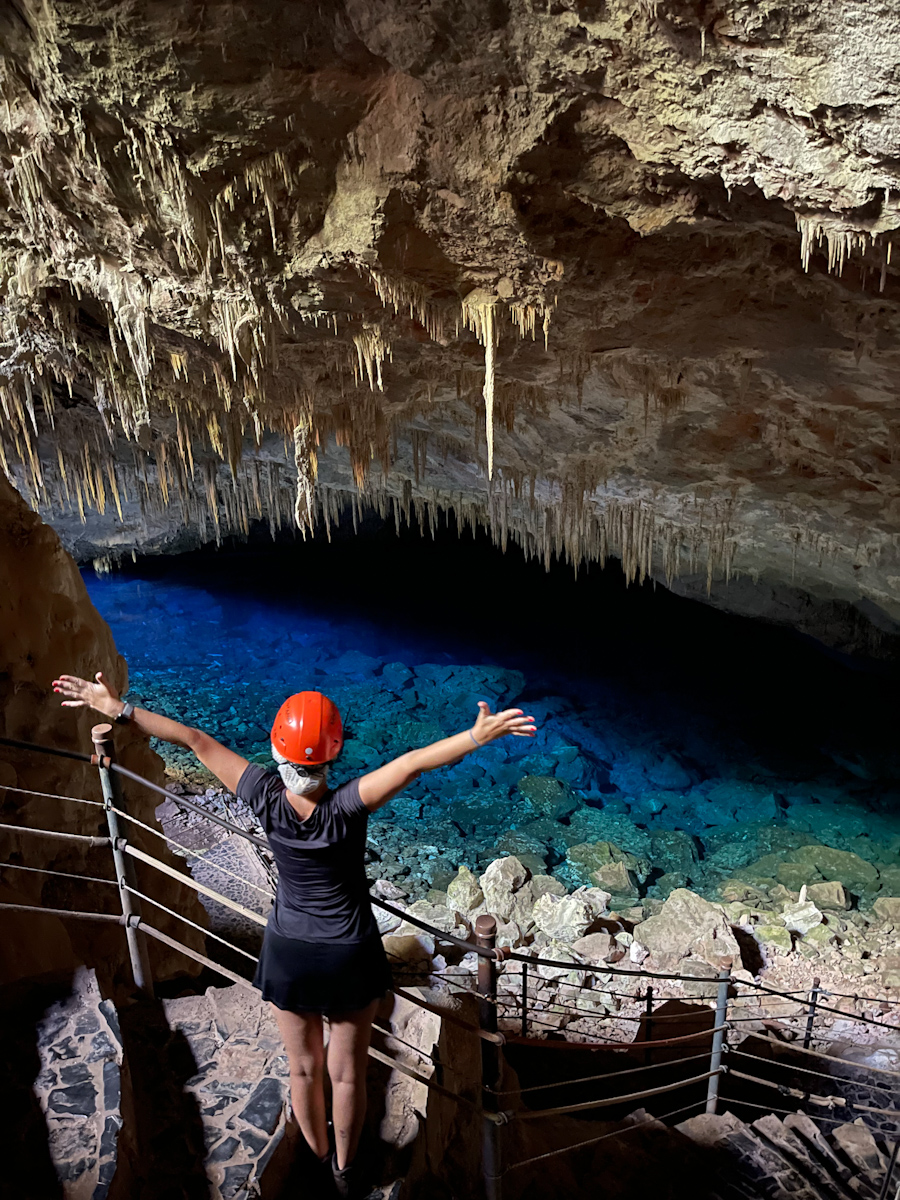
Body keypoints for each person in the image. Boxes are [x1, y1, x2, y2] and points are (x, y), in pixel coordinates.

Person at [53, 669, 536, 1197]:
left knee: (303, 1070)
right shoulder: (349, 804)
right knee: (347, 1073)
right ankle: (345, 1172)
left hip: (289, 954)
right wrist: (475, 736)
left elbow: (193, 739)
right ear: (334, 753)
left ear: (276, 750)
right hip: (349, 955)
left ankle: (316, 1156)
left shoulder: (262, 792)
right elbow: (413, 763)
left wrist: (117, 708)